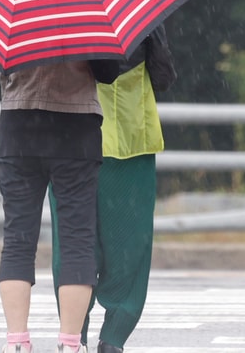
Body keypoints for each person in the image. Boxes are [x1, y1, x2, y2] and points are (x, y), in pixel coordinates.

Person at [50, 24, 177, 353]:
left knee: (73, 240)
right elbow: (163, 75)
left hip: (66, 137)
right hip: (127, 136)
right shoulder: (135, 7)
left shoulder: (51, 6)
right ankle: (114, 336)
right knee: (129, 243)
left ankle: (72, 333)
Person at [0, 55, 121, 353]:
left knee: (17, 240)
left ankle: (17, 342)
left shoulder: (15, 9)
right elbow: (107, 72)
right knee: (77, 241)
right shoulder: (88, 11)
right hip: (75, 129)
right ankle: (69, 344)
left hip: (19, 126)